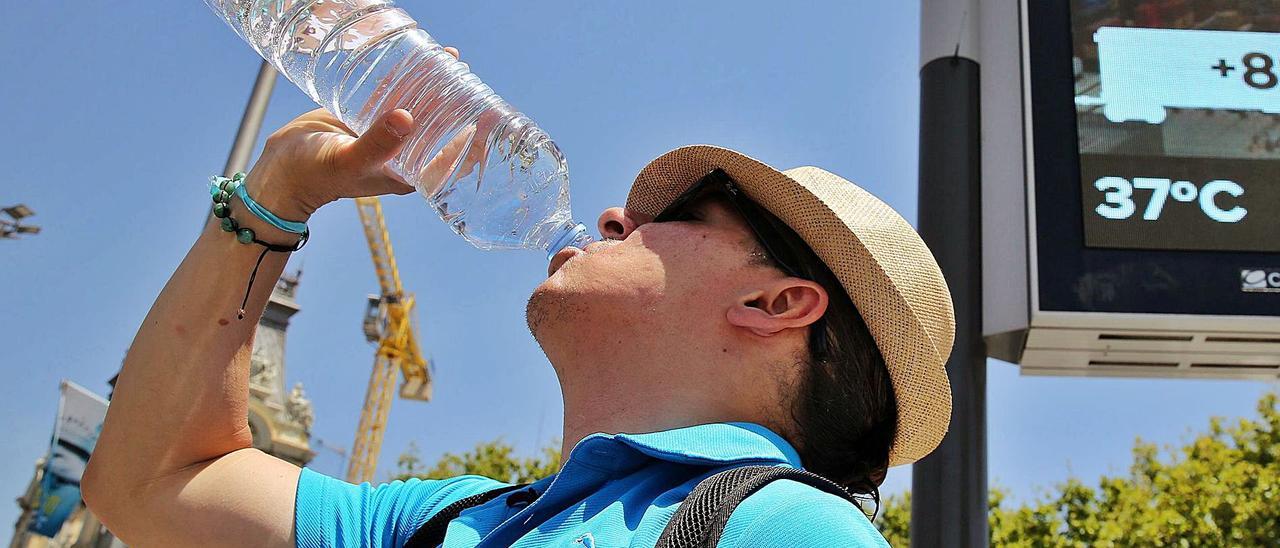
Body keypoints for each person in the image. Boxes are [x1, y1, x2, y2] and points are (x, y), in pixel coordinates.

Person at [82, 46, 955, 547]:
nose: (616, 213)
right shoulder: (448, 517)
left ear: (776, 305)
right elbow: (152, 481)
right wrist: (272, 197)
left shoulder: (787, 530)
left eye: (680, 215)